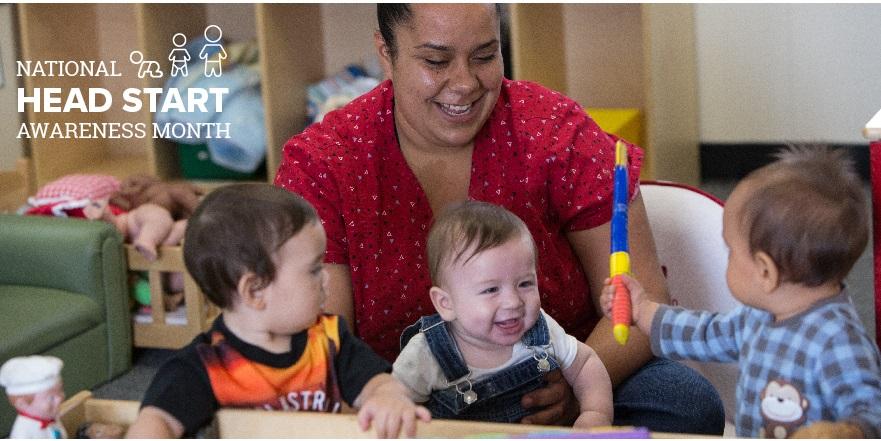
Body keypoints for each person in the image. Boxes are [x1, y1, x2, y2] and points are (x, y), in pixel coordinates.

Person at [275, 3, 723, 433]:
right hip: (405, 400)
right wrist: (386, 403)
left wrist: (577, 386)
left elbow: (641, 299)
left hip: (559, 376)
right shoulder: (327, 161)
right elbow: (324, 343)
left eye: (485, 56)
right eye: (436, 60)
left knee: (685, 401)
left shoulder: (554, 131)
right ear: (385, 53)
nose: (465, 83)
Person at [601, 147, 881, 438]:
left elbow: (872, 411)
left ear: (765, 272)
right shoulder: (758, 318)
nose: (727, 258)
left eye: (731, 250)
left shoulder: (837, 340)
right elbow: (705, 333)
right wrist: (643, 309)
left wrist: (846, 432)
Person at [125, 184, 430, 438]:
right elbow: (157, 421)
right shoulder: (207, 366)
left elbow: (376, 382)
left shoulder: (329, 339)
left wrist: (388, 398)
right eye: (313, 270)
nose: (326, 277)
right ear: (255, 291)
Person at [393, 201, 613, 427]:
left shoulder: (541, 330)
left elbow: (586, 363)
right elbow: (393, 402)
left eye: (525, 283)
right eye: (491, 289)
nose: (513, 302)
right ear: (446, 304)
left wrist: (595, 413)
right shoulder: (427, 353)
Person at [0, 356, 66, 439]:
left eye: (60, 391)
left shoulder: (52, 417)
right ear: (21, 404)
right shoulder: (23, 433)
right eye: (51, 398)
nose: (60, 399)